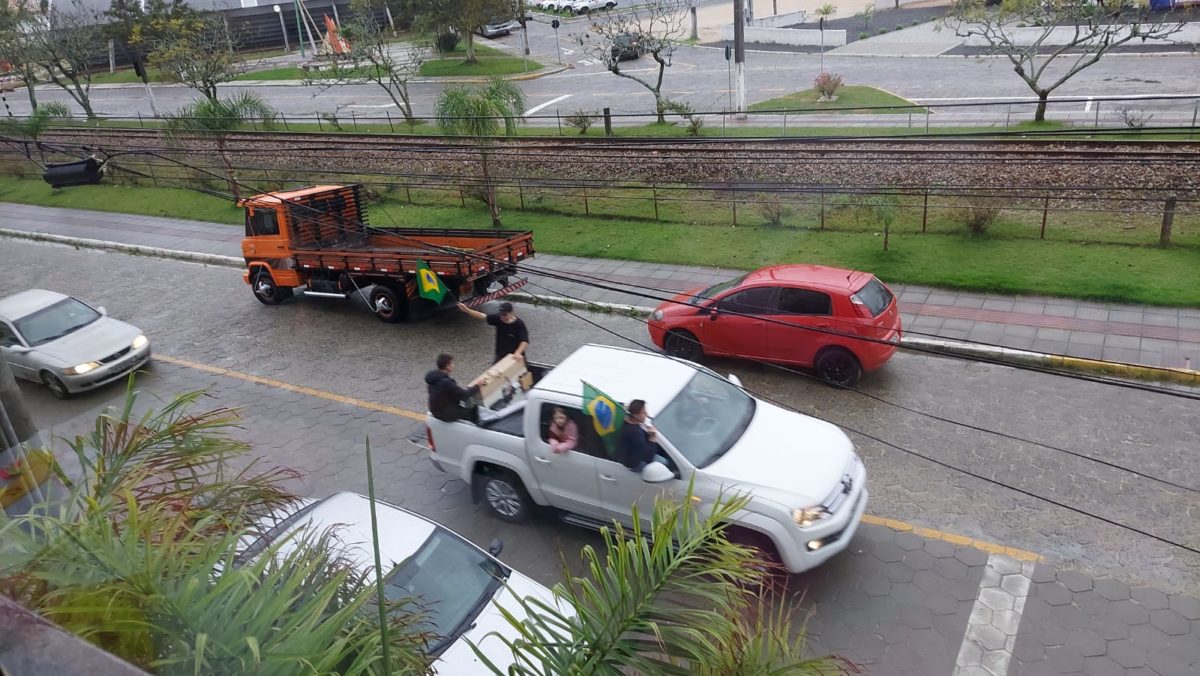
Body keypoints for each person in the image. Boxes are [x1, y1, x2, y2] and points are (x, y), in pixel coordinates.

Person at [458, 301, 529, 364]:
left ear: (511, 313)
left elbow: (524, 341)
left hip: (515, 357)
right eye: (501, 314)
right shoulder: (498, 319)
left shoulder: (519, 324)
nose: (502, 317)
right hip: (501, 355)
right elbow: (482, 316)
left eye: (505, 315)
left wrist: (518, 352)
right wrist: (467, 310)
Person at [425, 353, 486, 423]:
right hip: (445, 414)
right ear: (447, 366)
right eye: (452, 363)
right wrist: (477, 385)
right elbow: (464, 394)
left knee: (464, 401)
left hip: (436, 411)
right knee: (472, 411)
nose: (453, 365)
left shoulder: (434, 379)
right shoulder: (446, 382)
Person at [618, 399, 660, 471]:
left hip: (628, 458)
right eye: (643, 413)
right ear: (635, 415)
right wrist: (652, 438)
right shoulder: (634, 433)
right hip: (633, 466)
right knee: (663, 463)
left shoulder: (629, 425)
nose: (646, 414)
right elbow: (648, 458)